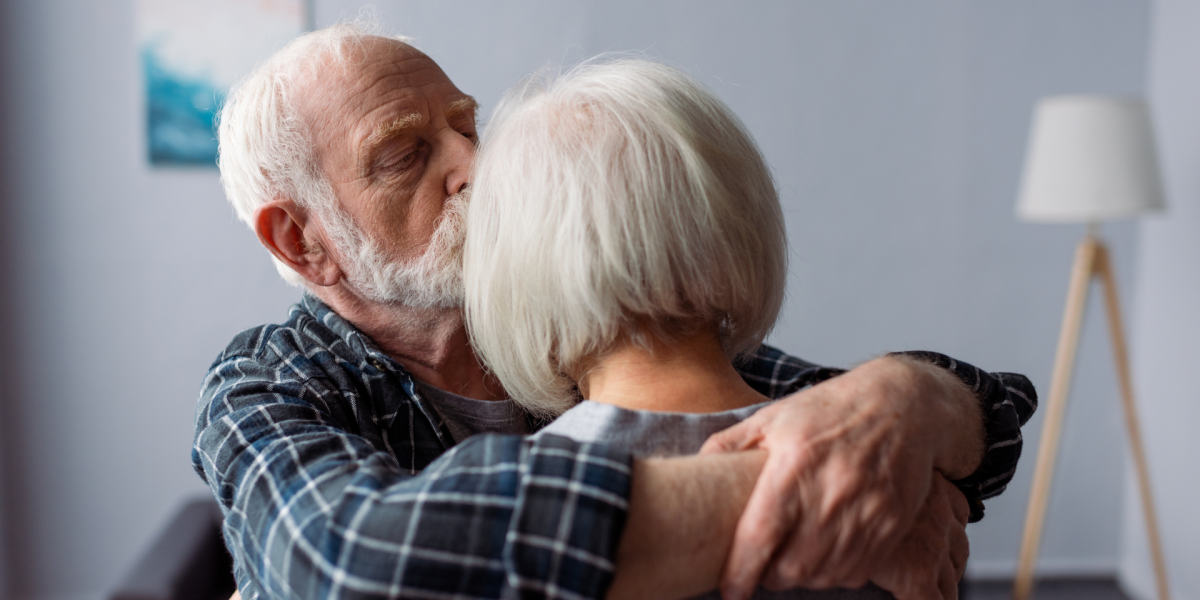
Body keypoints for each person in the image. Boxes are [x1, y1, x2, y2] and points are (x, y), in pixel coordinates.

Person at [194, 22, 1036, 600]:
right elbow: (351, 567)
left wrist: (910, 401)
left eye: (468, 126)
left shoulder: (587, 319)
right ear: (303, 242)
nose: (477, 165)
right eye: (407, 154)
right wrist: (813, 496)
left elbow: (981, 436)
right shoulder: (268, 383)